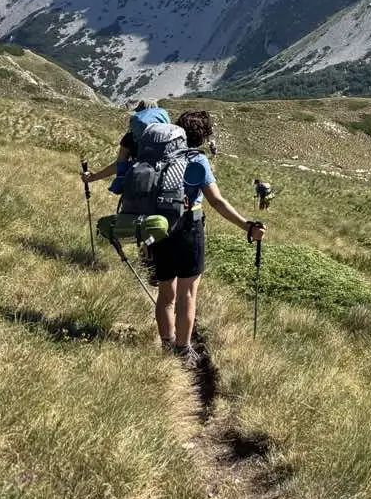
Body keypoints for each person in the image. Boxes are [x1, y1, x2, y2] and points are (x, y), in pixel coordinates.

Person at [85, 109, 264, 364]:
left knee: (166, 293)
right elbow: (217, 202)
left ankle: (167, 344)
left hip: (159, 228)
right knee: (187, 293)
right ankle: (182, 350)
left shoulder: (154, 158)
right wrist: (247, 226)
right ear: (202, 136)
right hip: (189, 228)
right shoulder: (197, 161)